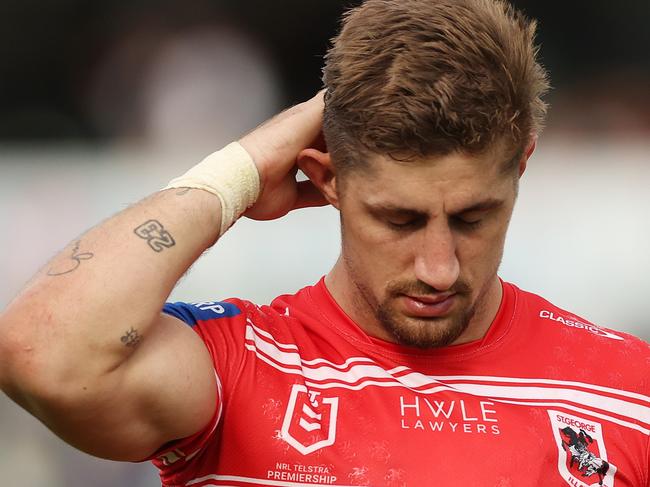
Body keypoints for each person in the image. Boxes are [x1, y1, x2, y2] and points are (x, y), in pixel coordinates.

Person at [0, 0, 648, 486]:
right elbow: (40, 351)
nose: (440, 265)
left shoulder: (629, 389)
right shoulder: (241, 367)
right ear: (326, 178)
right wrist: (241, 171)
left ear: (521, 167)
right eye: (399, 219)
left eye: (474, 218)